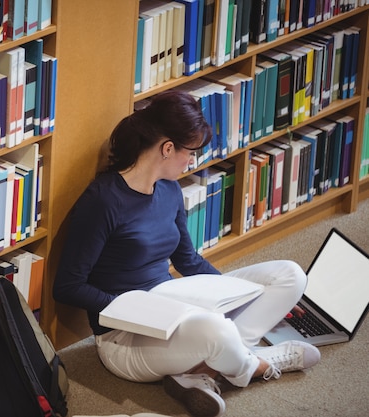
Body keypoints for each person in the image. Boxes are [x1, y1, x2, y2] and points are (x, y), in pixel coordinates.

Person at [52, 90, 320, 417]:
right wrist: (132, 309)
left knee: (289, 275)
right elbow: (68, 285)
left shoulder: (169, 188)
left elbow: (187, 261)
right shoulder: (103, 201)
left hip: (174, 305)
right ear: (167, 148)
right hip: (124, 338)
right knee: (217, 331)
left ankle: (204, 370)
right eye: (190, 152)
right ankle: (257, 363)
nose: (192, 161)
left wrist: (232, 297)